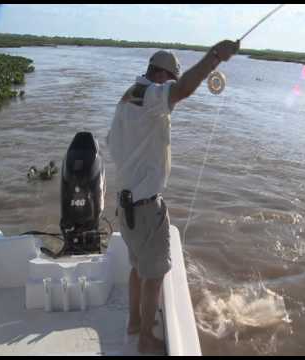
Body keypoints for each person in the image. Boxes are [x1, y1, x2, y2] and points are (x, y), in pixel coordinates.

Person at [107, 39, 239, 354]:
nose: (172, 92)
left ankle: (134, 324)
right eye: (172, 80)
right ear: (163, 75)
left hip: (125, 208)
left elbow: (115, 143)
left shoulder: (127, 98)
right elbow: (181, 92)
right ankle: (145, 340)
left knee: (138, 269)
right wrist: (215, 56)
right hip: (145, 208)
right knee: (154, 276)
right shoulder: (152, 95)